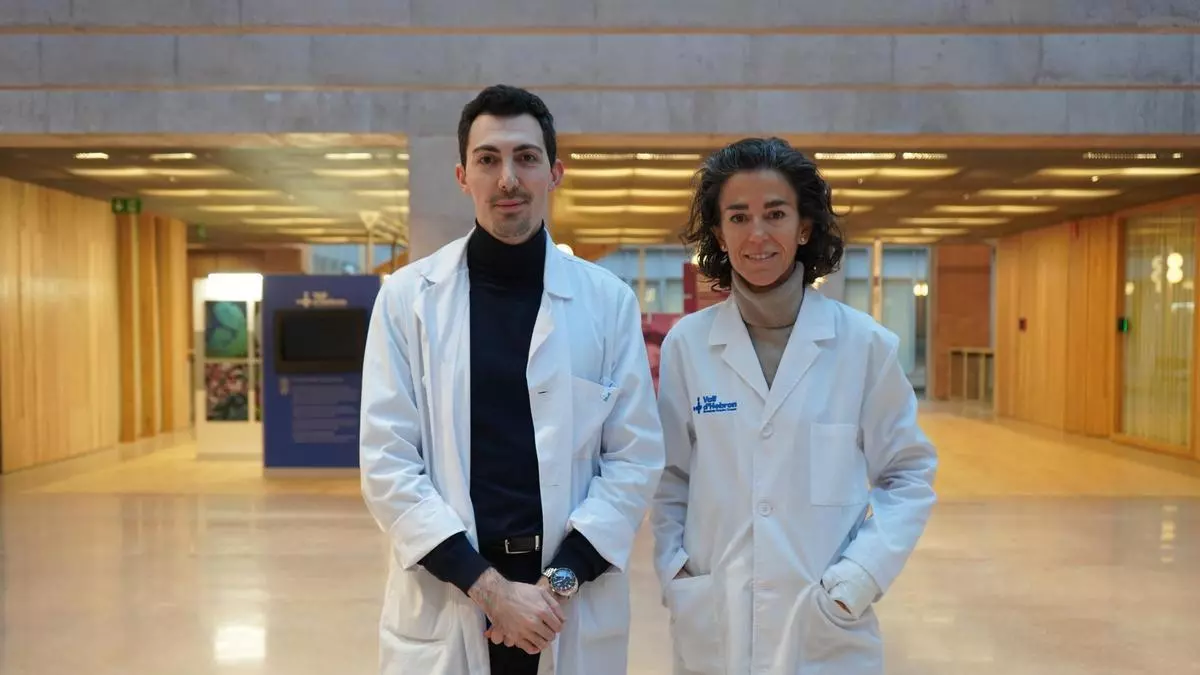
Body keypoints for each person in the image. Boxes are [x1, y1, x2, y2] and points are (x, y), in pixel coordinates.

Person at [359, 84, 666, 675]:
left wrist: (558, 582)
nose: (508, 178)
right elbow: (387, 462)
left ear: (554, 173)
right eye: (488, 159)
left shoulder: (607, 302)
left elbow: (634, 458)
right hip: (453, 591)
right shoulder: (407, 300)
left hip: (566, 601)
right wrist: (491, 590)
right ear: (462, 176)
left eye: (526, 157)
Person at [649, 137, 938, 675]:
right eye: (739, 217)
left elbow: (908, 475)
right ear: (719, 234)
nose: (757, 234)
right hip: (716, 612)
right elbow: (670, 478)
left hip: (824, 620)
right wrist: (676, 570)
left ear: (804, 227)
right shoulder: (688, 345)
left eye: (775, 214)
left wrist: (859, 578)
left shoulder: (865, 346)